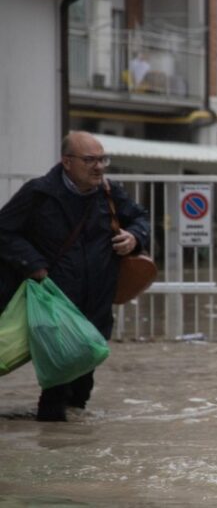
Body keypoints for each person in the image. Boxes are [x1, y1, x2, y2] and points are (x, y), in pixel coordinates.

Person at [0, 131, 151, 422]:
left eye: (102, 159)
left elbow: (140, 217)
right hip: (54, 299)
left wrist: (135, 237)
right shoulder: (38, 193)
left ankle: (74, 432)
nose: (99, 167)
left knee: (84, 376)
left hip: (97, 298)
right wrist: (33, 264)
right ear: (67, 162)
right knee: (58, 377)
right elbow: (4, 231)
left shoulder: (109, 192)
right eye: (90, 160)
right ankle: (54, 430)